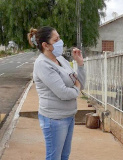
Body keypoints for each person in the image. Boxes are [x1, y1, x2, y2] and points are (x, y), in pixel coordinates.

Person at [27, 26, 86, 160]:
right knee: (54, 157)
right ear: (45, 45)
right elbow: (64, 93)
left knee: (64, 156)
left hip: (69, 116)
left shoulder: (60, 59)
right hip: (54, 119)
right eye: (56, 39)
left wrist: (80, 64)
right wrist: (76, 88)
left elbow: (80, 83)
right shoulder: (42, 64)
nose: (61, 42)